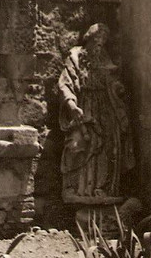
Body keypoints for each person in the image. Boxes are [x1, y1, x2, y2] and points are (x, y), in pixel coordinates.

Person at [57, 23, 134, 204]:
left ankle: (103, 188)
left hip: (105, 108)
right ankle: (79, 188)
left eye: (103, 41)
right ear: (88, 39)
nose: (99, 44)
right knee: (78, 144)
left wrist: (118, 89)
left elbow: (112, 81)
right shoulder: (75, 58)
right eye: (96, 40)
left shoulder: (105, 60)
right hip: (84, 107)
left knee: (109, 146)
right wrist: (71, 104)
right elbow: (64, 84)